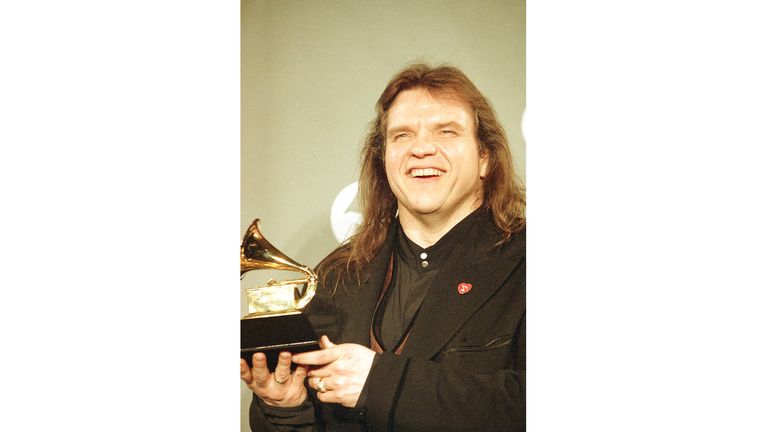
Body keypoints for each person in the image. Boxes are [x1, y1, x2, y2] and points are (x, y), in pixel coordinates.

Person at [240, 63, 526, 432]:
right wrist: (285, 408)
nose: (422, 148)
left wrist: (381, 384)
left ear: (485, 157)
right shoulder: (337, 275)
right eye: (402, 135)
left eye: (446, 131)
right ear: (384, 158)